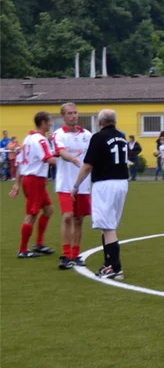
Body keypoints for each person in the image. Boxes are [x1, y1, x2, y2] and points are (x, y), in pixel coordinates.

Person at [71, 109, 130, 279]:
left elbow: (88, 165)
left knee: (108, 226)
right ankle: (108, 263)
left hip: (105, 184)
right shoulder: (122, 136)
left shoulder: (98, 137)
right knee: (109, 226)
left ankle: (114, 267)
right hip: (122, 182)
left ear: (100, 122)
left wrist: (76, 185)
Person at [9, 112, 61, 258]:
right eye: (49, 121)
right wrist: (72, 162)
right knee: (31, 214)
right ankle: (23, 250)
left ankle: (38, 244)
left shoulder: (28, 139)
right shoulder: (40, 140)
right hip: (34, 180)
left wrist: (17, 184)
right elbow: (49, 159)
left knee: (49, 209)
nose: (51, 124)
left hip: (32, 179)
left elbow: (20, 162)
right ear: (43, 123)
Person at [52, 103, 92, 269]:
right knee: (67, 216)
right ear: (63, 116)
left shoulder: (87, 135)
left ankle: (75, 254)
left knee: (79, 219)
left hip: (82, 185)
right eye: (69, 113)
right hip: (65, 184)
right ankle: (66, 254)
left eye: (75, 113)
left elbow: (92, 156)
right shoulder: (58, 134)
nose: (73, 116)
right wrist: (73, 159)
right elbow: (60, 151)